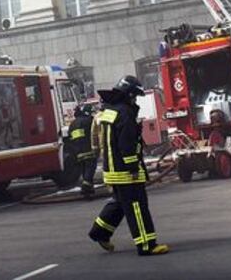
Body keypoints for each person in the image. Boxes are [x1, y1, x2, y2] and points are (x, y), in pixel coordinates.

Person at [88, 76, 169, 256]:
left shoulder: (110, 109)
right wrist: (133, 167)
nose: (135, 100)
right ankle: (147, 245)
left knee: (120, 203)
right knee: (137, 207)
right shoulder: (125, 113)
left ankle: (100, 232)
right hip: (125, 171)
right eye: (135, 96)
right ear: (129, 94)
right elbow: (126, 143)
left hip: (112, 168)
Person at [68, 104, 97, 198]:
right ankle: (86, 186)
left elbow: (70, 138)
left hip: (77, 152)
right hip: (89, 150)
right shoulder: (89, 121)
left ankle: (88, 189)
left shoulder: (73, 123)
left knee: (84, 169)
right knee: (90, 168)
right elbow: (94, 133)